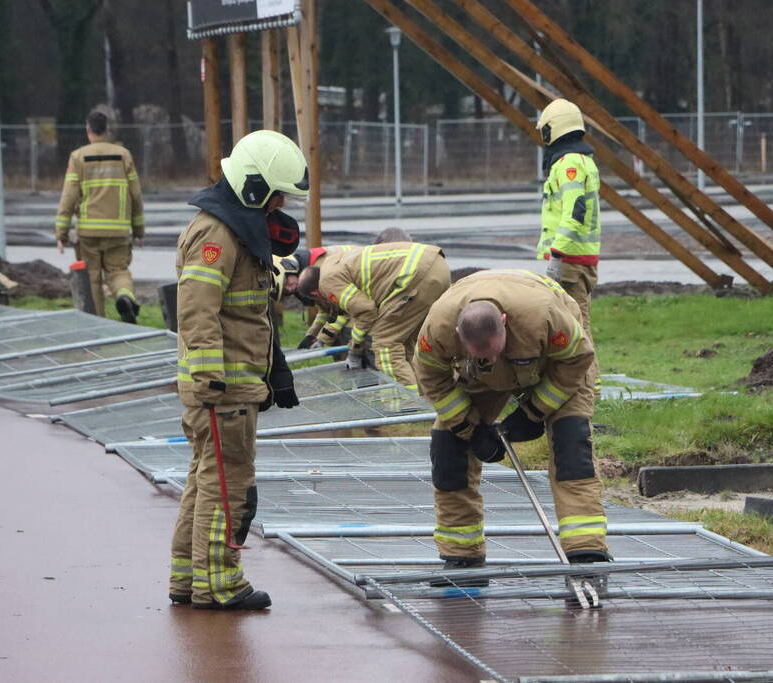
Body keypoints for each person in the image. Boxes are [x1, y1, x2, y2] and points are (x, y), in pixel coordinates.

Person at [168, 130, 307, 610]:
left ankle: (188, 580)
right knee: (227, 487)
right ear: (253, 188)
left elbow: (242, 304)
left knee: (206, 481)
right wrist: (211, 378)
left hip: (232, 383)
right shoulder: (217, 234)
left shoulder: (230, 228)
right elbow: (196, 308)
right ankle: (220, 585)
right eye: (275, 195)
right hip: (223, 388)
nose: (280, 205)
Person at [413, 269, 609, 584]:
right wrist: (469, 427)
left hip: (557, 364)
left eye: (494, 350)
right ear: (460, 338)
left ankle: (586, 555)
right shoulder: (439, 327)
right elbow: (431, 379)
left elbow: (577, 360)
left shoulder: (544, 315)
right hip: (482, 378)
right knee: (448, 448)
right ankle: (462, 557)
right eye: (481, 354)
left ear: (503, 322)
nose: (491, 357)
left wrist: (533, 411)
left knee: (572, 448)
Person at [297, 241, 450, 389]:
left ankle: (411, 406)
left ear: (315, 293)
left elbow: (366, 311)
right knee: (407, 345)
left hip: (416, 275)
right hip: (435, 265)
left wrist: (354, 352)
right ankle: (424, 398)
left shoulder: (327, 282)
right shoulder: (331, 265)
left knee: (385, 345)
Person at [55, 109, 144, 322]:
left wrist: (61, 232)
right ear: (106, 130)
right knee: (118, 271)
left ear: (88, 130)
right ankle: (125, 297)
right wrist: (139, 229)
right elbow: (136, 194)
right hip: (118, 230)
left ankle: (99, 323)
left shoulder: (78, 157)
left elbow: (68, 196)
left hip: (89, 232)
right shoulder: (123, 155)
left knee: (92, 278)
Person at [535, 99, 601, 361]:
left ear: (554, 129)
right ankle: (587, 387)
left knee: (577, 327)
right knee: (574, 323)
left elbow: (574, 212)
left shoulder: (569, 164)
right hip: (575, 257)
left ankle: (588, 389)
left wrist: (557, 254)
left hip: (569, 259)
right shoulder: (580, 160)